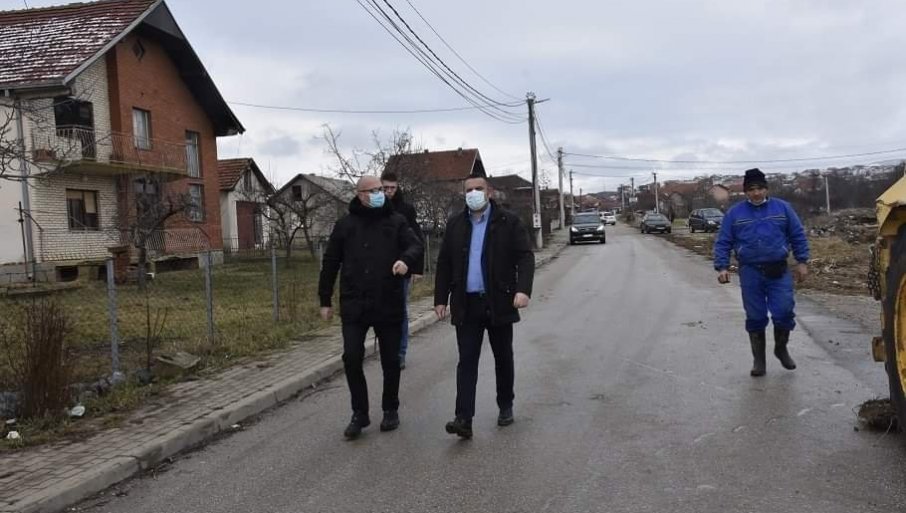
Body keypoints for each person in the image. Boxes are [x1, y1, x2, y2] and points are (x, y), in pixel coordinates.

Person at [318, 175, 423, 439]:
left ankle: (390, 409)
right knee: (352, 357)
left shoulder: (396, 221)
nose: (380, 194)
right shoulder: (345, 225)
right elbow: (330, 262)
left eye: (381, 190)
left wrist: (405, 260)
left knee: (391, 360)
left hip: (388, 301)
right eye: (373, 190)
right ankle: (359, 413)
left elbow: (415, 245)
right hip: (355, 303)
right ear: (360, 194)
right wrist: (325, 299)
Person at [434, 175, 535, 439]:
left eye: (478, 189)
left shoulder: (508, 221)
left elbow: (525, 257)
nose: (474, 193)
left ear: (489, 192)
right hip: (466, 303)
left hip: (499, 300)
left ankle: (505, 404)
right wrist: (440, 298)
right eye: (469, 190)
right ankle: (463, 418)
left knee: (503, 357)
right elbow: (444, 262)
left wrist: (523, 290)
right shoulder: (456, 224)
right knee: (467, 360)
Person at [713, 168, 810, 377]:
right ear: (745, 192)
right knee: (755, 315)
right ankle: (759, 360)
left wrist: (802, 261)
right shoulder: (735, 214)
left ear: (766, 189)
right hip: (750, 272)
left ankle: (781, 348)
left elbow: (797, 235)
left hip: (778, 270)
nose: (756, 193)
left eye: (759, 188)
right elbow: (723, 241)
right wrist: (722, 266)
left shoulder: (782, 209)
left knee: (784, 311)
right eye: (751, 189)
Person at [380, 171, 425, 370]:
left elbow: (417, 240)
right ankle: (386, 349)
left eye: (393, 188)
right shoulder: (374, 208)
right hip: (378, 270)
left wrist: (416, 268)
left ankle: (400, 353)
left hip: (401, 268)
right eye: (385, 188)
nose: (389, 191)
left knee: (400, 310)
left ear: (397, 188)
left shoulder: (406, 210)